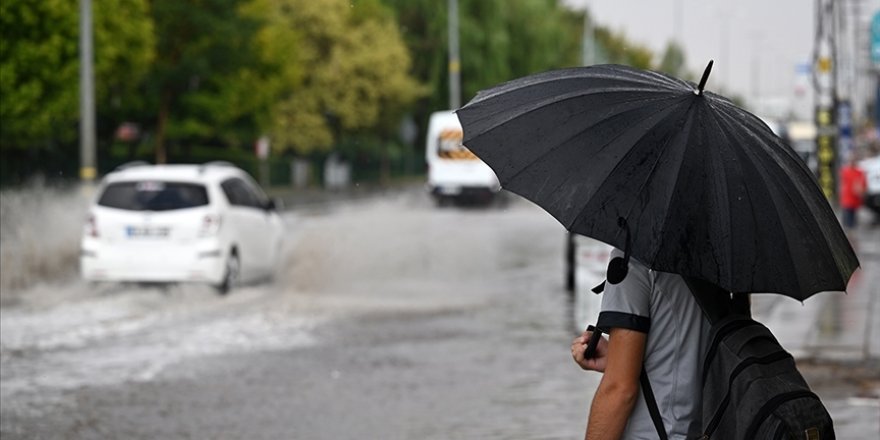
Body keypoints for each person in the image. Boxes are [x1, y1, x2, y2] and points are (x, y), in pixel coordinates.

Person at [571, 248, 710, 439]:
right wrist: (618, 359)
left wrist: (617, 370)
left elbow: (619, 390)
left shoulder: (632, 260)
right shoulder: (724, 261)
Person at [839, 153, 867, 230]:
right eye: (850, 160)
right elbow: (841, 184)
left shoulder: (860, 172)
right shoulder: (844, 171)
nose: (852, 162)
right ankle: (849, 232)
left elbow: (864, 185)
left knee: (853, 217)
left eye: (853, 160)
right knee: (848, 217)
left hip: (855, 198)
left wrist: (862, 190)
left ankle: (851, 233)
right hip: (847, 198)